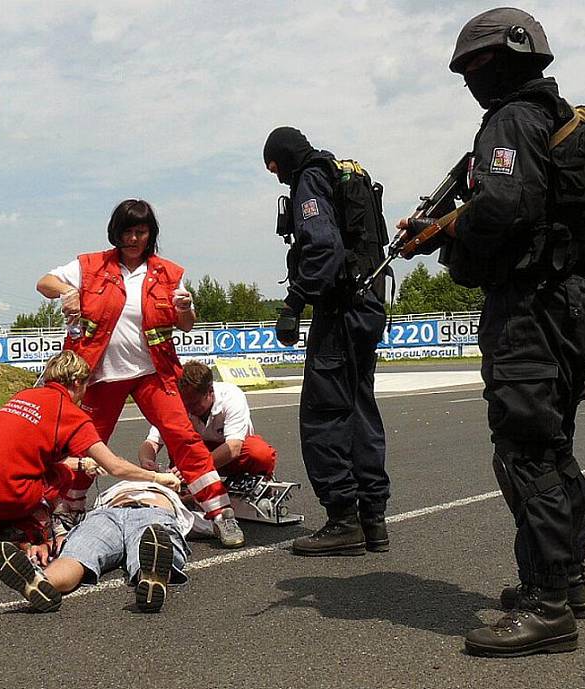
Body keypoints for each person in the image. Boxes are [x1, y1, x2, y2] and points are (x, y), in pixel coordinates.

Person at [398, 8, 585, 656]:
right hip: (570, 304)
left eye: (473, 69)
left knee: (525, 453)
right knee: (552, 447)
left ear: (498, 63)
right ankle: (566, 580)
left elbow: (504, 205)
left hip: (531, 308)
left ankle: (549, 605)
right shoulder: (563, 122)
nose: (469, 81)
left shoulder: (513, 119)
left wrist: (444, 229)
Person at [36, 199, 244, 549]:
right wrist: (68, 291)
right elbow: (44, 282)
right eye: (127, 231)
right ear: (115, 232)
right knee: (87, 446)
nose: (133, 238)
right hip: (99, 376)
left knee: (184, 438)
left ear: (151, 234)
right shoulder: (89, 265)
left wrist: (186, 309)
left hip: (154, 374)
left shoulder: (168, 273)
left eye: (141, 232)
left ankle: (221, 514)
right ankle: (68, 512)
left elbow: (186, 325)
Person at [0, 351, 180, 572]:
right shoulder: (70, 414)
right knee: (56, 488)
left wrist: (77, 464)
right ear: (78, 382)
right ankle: (36, 534)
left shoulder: (22, 396)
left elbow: (20, 454)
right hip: (5, 496)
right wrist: (158, 477)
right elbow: (114, 466)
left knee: (9, 517)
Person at [263, 127, 390, 556]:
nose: (278, 178)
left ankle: (342, 518)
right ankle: (373, 517)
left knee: (324, 413)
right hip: (369, 302)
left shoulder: (311, 179)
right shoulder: (344, 172)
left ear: (282, 159)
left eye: (276, 169)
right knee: (359, 407)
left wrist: (294, 303)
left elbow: (322, 247)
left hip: (340, 308)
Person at [0, 478, 192, 613]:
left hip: (152, 511)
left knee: (153, 540)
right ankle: (42, 582)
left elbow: (208, 520)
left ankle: (151, 577)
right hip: (107, 512)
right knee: (80, 549)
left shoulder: (173, 496)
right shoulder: (124, 485)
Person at [139, 359, 277, 480]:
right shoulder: (177, 402)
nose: (189, 409)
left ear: (210, 391)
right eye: (185, 404)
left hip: (229, 457)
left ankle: (260, 482)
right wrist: (147, 460)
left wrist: (196, 467)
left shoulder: (231, 396)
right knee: (175, 441)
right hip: (196, 456)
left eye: (194, 403)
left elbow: (234, 447)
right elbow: (152, 442)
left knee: (259, 452)